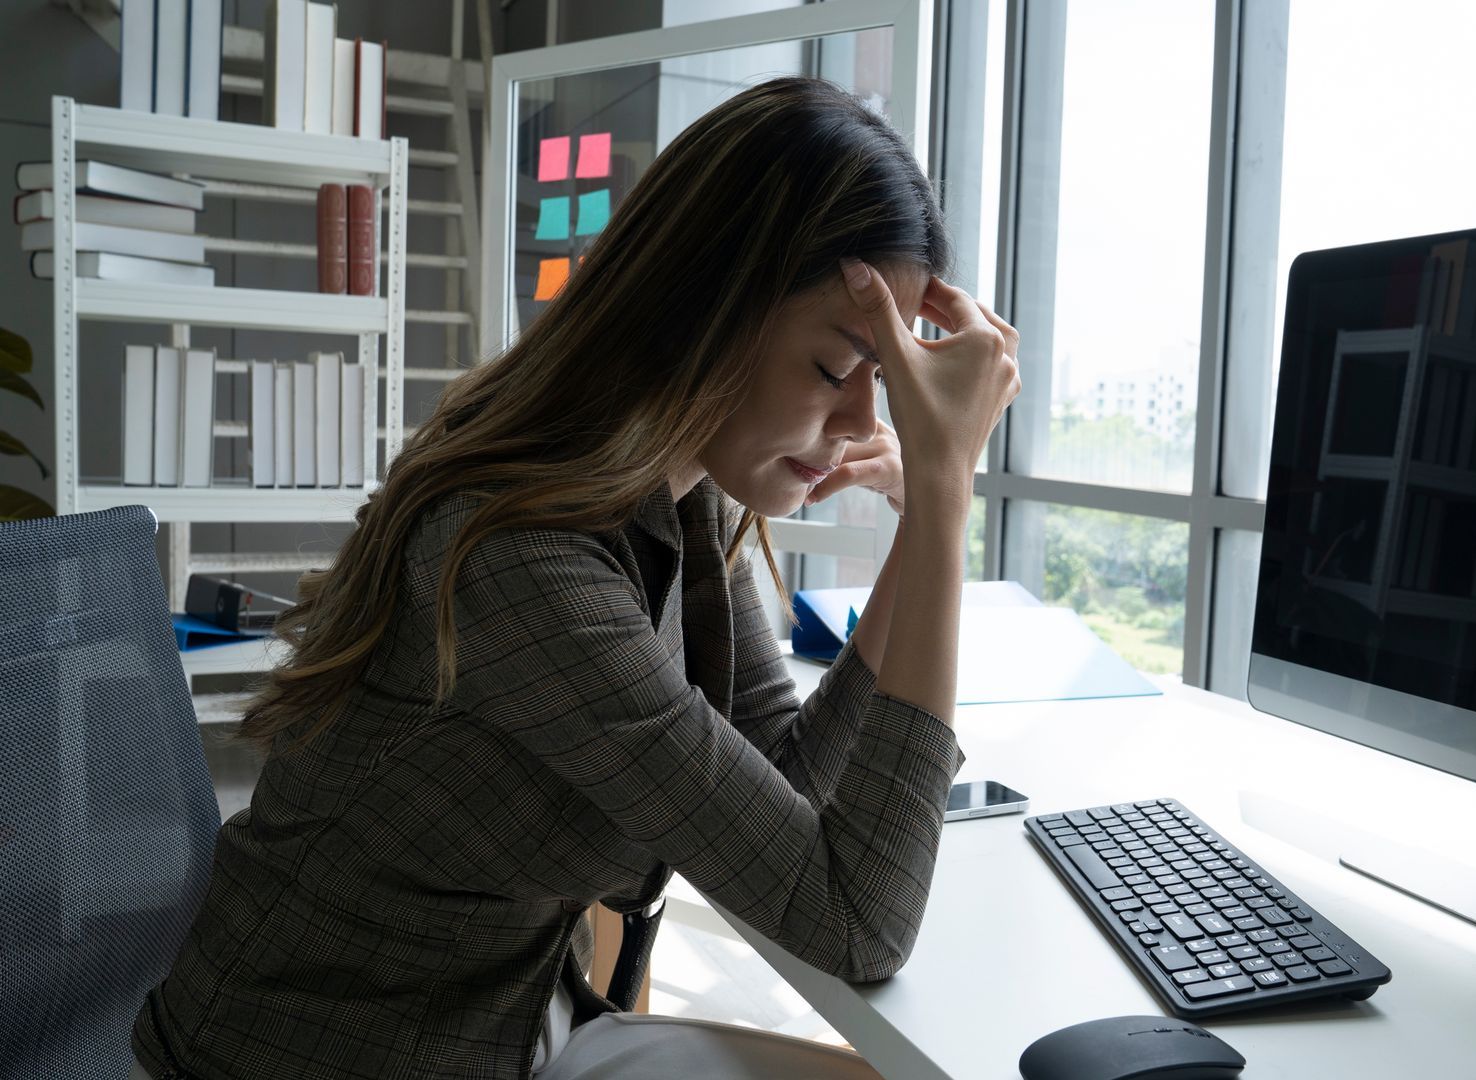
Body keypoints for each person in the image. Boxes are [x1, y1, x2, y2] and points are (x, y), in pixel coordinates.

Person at [129, 77, 1020, 1079]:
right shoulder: (517, 555)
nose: (867, 425)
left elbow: (786, 785)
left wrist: (915, 542)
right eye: (834, 368)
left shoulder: (684, 493)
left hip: (512, 1021)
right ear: (706, 309)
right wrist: (945, 499)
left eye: (886, 384)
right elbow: (857, 922)